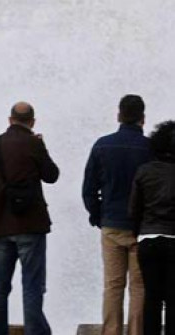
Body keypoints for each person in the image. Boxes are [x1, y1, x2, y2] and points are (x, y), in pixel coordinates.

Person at [0, 102, 59, 335]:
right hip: (30, 224)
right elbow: (52, 175)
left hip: (1, 225)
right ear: (32, 122)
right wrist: (41, 146)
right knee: (32, 286)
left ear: (10, 120)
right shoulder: (34, 144)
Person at [82, 95, 150, 335]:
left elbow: (88, 189)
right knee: (139, 287)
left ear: (119, 115)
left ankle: (111, 332)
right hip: (142, 228)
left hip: (111, 224)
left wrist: (98, 216)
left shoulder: (102, 145)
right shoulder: (150, 148)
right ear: (143, 118)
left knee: (113, 285)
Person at [129, 120, 175, 335]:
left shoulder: (144, 171)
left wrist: (139, 232)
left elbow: (134, 210)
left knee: (152, 298)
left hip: (148, 238)